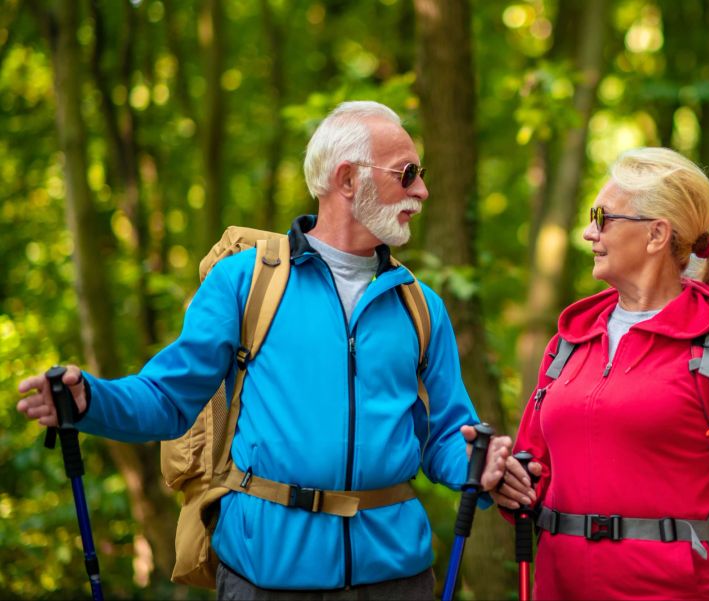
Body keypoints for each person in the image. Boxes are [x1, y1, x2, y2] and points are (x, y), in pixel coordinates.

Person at [18, 101, 511, 600]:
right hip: (266, 575)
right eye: (407, 174)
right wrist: (91, 403)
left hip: (396, 578)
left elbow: (447, 434)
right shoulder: (245, 282)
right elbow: (168, 400)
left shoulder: (422, 308)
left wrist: (481, 463)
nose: (422, 190)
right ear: (347, 179)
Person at [488, 147, 709, 600]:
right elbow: (532, 478)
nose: (587, 232)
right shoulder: (569, 343)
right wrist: (505, 480)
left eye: (602, 216)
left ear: (657, 234)